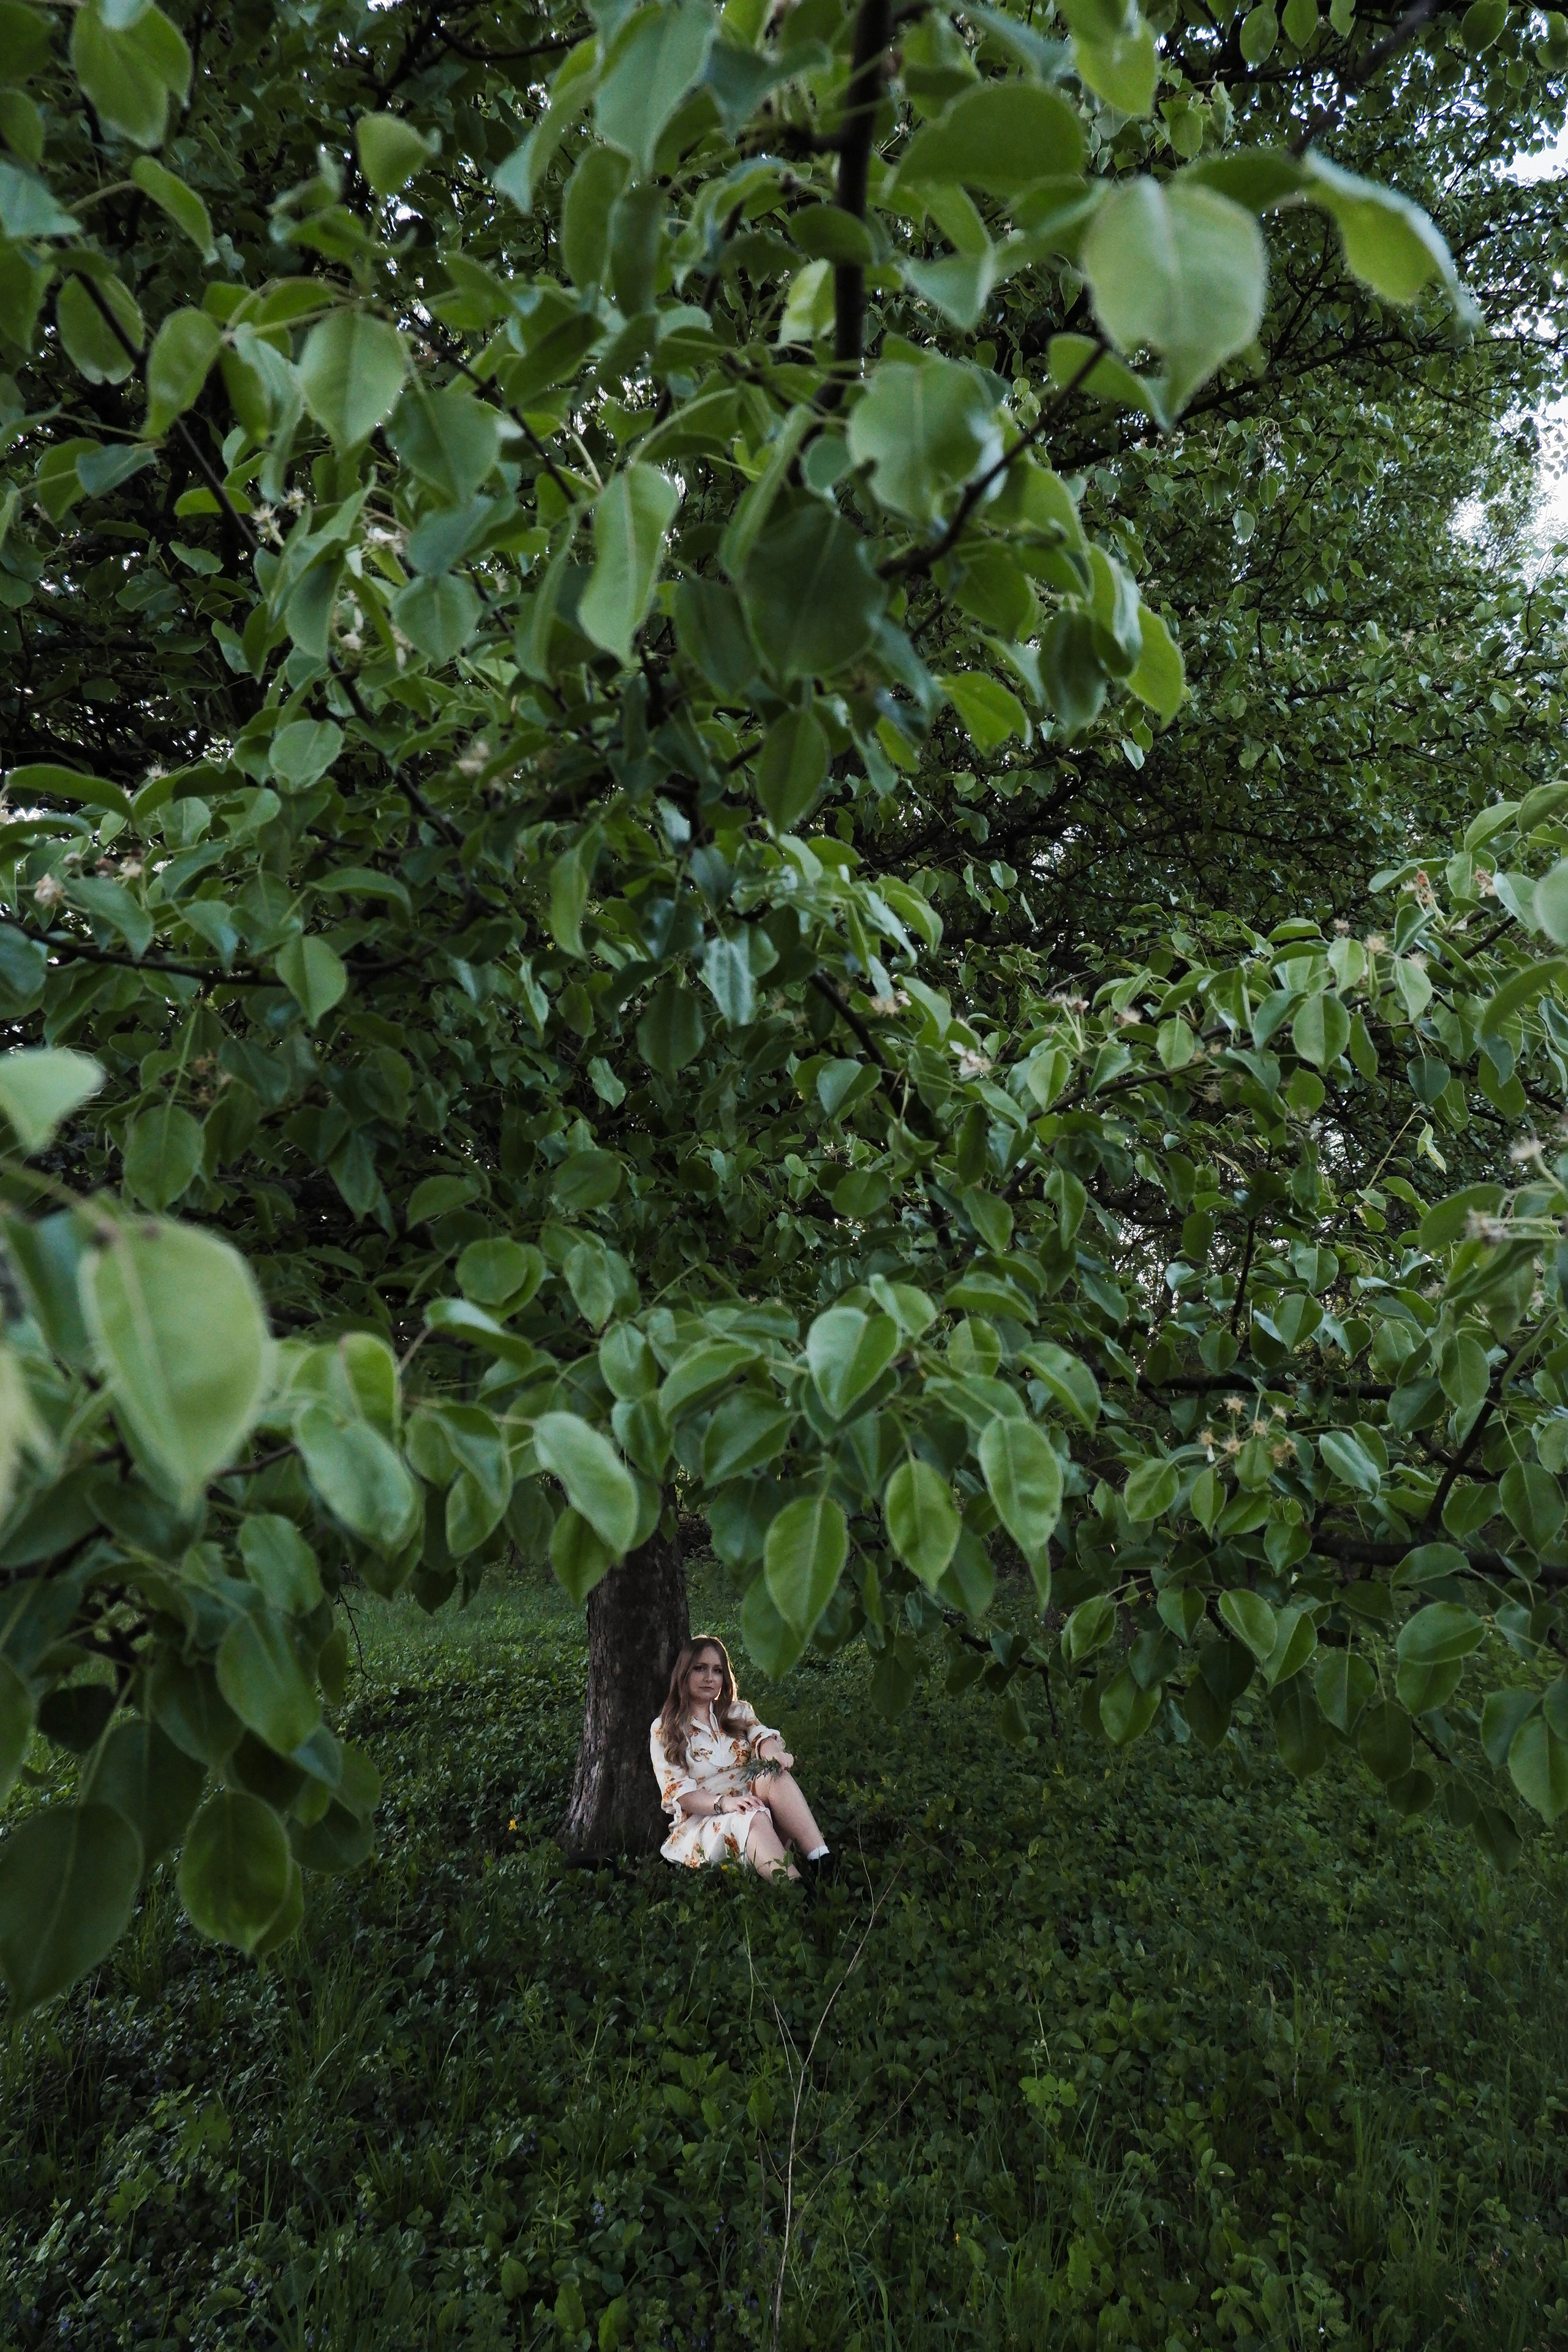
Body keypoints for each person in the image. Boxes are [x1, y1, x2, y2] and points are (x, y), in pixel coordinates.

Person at [649, 1636, 833, 1884]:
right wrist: (724, 1803)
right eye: (700, 1668)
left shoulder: (737, 1712)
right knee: (751, 1815)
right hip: (706, 1818)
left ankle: (824, 1862)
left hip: (752, 1801)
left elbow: (762, 1738)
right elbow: (680, 1794)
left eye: (717, 1671)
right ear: (684, 1673)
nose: (709, 1678)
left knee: (774, 1775)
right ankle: (798, 1892)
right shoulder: (665, 1728)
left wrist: (774, 1756)